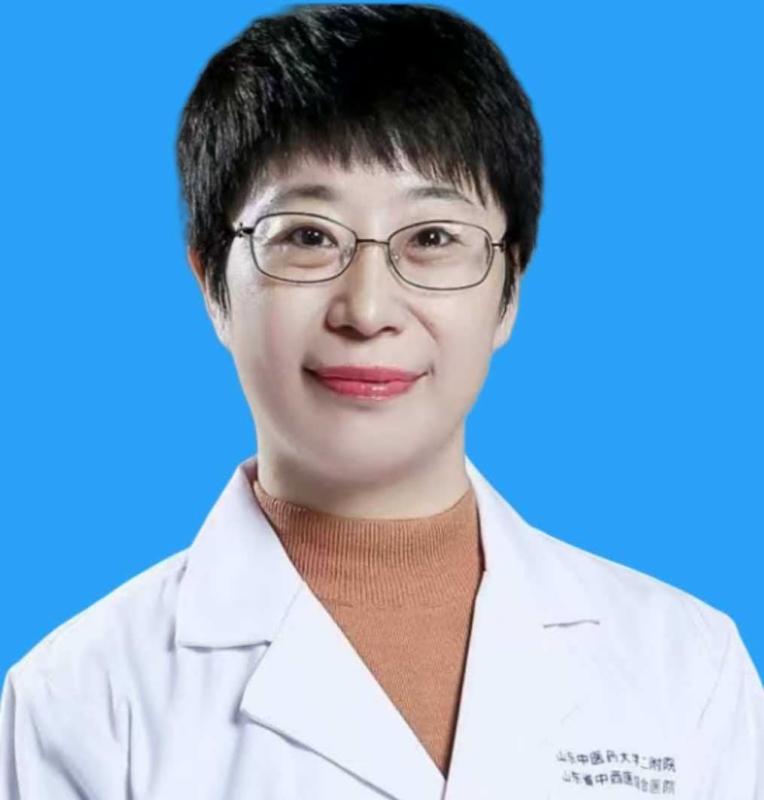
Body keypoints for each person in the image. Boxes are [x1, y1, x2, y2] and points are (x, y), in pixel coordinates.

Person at [1, 4, 761, 798]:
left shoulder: (688, 668)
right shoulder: (82, 701)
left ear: (509, 292)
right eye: (308, 236)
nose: (367, 310)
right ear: (212, 285)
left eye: (432, 238)